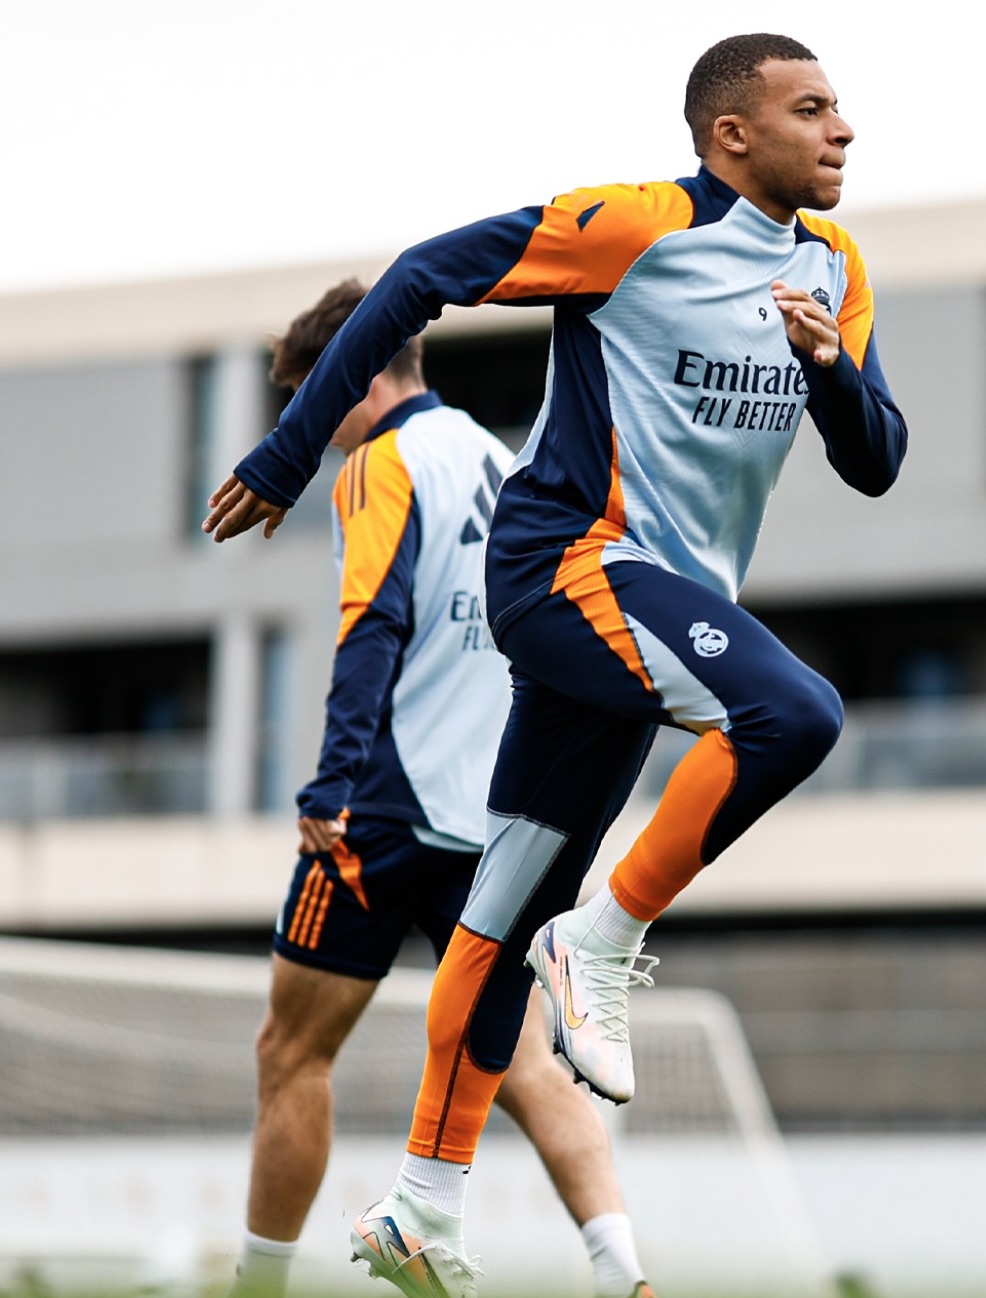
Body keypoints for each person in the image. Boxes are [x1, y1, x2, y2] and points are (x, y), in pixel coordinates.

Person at [205, 33, 908, 1298]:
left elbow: (874, 458)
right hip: (564, 568)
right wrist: (290, 451)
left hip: (645, 615)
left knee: (493, 929)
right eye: (811, 109)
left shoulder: (835, 269)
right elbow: (422, 273)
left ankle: (423, 1198)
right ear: (729, 136)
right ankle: (606, 934)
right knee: (793, 711)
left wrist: (829, 369)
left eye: (840, 107)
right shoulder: (630, 225)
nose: (841, 129)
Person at [225, 280, 654, 1298]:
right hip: (501, 821)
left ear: (364, 374)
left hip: (384, 812)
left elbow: (369, 621)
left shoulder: (383, 462)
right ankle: (622, 1270)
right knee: (520, 1061)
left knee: (292, 1049)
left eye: (317, 401)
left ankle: (254, 1285)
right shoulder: (508, 467)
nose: (318, 434)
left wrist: (328, 785)